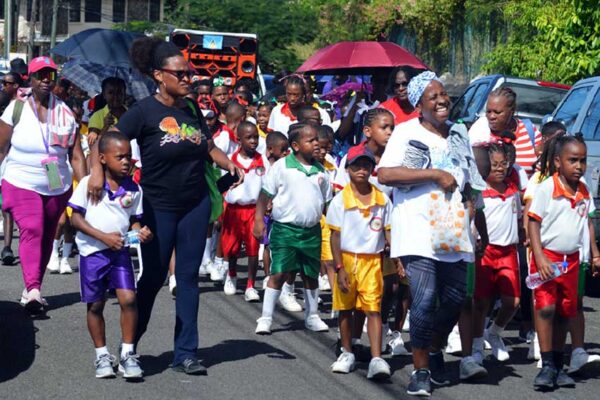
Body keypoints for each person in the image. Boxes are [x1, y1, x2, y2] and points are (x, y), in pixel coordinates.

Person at [86, 37, 243, 374]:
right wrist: (97, 173)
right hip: (157, 207)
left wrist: (226, 161)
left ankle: (185, 353)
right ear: (159, 75)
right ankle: (130, 347)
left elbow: (205, 145)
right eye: (182, 73)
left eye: (190, 73)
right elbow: (106, 139)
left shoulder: (191, 110)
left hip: (195, 202)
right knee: (154, 277)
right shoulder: (143, 112)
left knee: (187, 279)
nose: (189, 79)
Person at [378, 71, 482, 397]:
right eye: (432, 97)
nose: (441, 101)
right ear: (419, 104)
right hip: (418, 228)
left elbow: (470, 183)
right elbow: (385, 173)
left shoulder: (459, 133)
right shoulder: (406, 133)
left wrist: (474, 221)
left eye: (443, 95)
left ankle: (434, 348)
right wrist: (435, 174)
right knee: (423, 298)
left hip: (453, 229)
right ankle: (420, 370)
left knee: (454, 298)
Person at [0, 56, 86, 313]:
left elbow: (77, 155)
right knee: (33, 228)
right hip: (19, 179)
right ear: (31, 79)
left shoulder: (66, 113)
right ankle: (34, 289)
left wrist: (83, 187)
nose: (46, 81)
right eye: (40, 76)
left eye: (50, 76)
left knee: (48, 235)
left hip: (56, 184)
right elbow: (1, 148)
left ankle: (32, 288)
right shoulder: (15, 108)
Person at [69, 131, 152, 379]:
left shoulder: (133, 189)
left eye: (128, 157)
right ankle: (102, 355)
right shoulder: (89, 184)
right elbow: (75, 218)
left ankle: (127, 353)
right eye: (120, 157)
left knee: (128, 300)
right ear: (103, 158)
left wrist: (140, 233)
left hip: (120, 254)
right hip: (92, 253)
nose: (126, 161)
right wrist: (103, 237)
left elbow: (135, 222)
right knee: (96, 304)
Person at [528, 135, 600, 390]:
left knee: (564, 312)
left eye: (582, 160)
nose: (579, 166)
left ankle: (558, 365)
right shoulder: (547, 188)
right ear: (558, 162)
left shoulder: (583, 190)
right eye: (573, 160)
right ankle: (546, 364)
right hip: (547, 258)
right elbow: (533, 222)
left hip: (571, 262)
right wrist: (539, 256)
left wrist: (594, 252)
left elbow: (586, 222)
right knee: (546, 308)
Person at [253, 122, 332, 334]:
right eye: (311, 140)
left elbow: (327, 203)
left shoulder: (321, 170)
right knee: (279, 273)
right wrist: (259, 219)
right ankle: (266, 317)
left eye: (317, 139)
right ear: (296, 146)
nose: (316, 143)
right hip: (285, 230)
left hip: (311, 232)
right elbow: (265, 194)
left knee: (310, 275)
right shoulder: (282, 167)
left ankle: (312, 316)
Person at [328, 145, 392, 380]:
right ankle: (347, 352)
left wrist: (397, 259)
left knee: (373, 309)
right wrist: (339, 267)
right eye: (357, 166)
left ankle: (377, 359)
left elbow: (388, 231)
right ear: (348, 169)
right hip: (346, 258)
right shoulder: (340, 200)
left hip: (372, 261)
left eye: (366, 166)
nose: (362, 170)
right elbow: (335, 236)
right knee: (345, 309)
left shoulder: (382, 199)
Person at [471, 142, 522, 366]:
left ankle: (495, 331)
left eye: (504, 164)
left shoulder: (513, 188)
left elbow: (519, 217)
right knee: (481, 302)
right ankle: (476, 345)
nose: (500, 169)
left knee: (513, 301)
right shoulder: (480, 191)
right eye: (494, 165)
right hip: (486, 251)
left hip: (508, 252)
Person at [221, 121, 269, 302]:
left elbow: (267, 184)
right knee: (231, 247)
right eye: (248, 138)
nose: (253, 141)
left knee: (253, 247)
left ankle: (250, 284)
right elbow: (222, 186)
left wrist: (266, 206)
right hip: (234, 210)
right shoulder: (230, 160)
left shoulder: (261, 160)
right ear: (238, 139)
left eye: (255, 137)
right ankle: (231, 275)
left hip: (253, 210)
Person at [468, 87, 541, 177]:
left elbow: (541, 168)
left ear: (512, 111)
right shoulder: (480, 132)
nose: (491, 116)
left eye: (497, 112)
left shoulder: (529, 130)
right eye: (488, 111)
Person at [260, 132, 289, 290]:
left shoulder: (285, 166)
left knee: (281, 246)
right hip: (266, 212)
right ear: (270, 149)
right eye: (283, 149)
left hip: (281, 212)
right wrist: (266, 205)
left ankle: (280, 276)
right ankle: (267, 275)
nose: (286, 152)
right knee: (267, 245)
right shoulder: (262, 164)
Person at [0, 72, 23, 265]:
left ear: (16, 85)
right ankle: (7, 247)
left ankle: (9, 247)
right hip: (3, 158)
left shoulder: (24, 106)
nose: (4, 86)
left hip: (17, 160)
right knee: (5, 206)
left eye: (7, 83)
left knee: (9, 206)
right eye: (3, 82)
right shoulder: (2, 102)